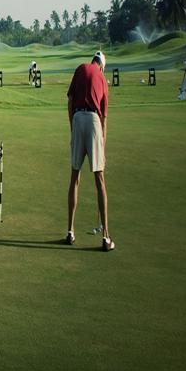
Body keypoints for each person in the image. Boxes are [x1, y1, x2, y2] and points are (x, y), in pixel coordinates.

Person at [65, 51, 115, 251]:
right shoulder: (102, 77)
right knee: (99, 179)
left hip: (77, 118)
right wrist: (102, 143)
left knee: (74, 178)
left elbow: (69, 101)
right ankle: (106, 237)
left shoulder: (80, 68)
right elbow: (104, 117)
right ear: (102, 65)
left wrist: (73, 129)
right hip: (94, 121)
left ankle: (70, 231)